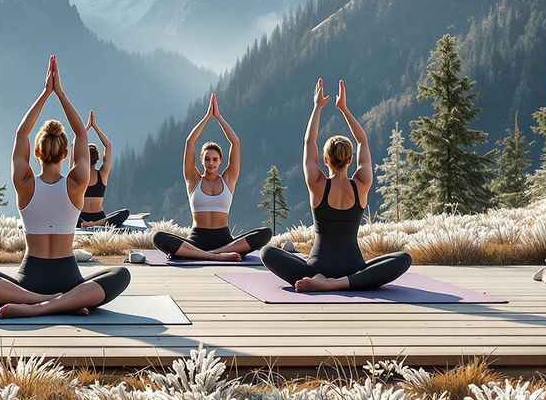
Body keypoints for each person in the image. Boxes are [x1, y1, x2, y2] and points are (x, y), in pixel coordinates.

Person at [0, 56, 131, 318]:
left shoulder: (25, 184)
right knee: (120, 274)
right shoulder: (76, 185)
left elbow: (21, 134)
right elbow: (82, 135)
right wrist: (60, 94)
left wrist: (45, 94)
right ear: (66, 154)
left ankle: (37, 302)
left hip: (30, 279)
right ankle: (58, 303)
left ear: (37, 153)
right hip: (69, 280)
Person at [261, 79, 411, 291]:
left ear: (325, 159)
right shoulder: (362, 184)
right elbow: (363, 142)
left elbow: (309, 142)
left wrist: (317, 106)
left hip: (316, 268)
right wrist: (344, 109)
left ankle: (324, 280)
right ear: (350, 160)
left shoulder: (317, 184)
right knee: (403, 258)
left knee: (267, 252)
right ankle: (343, 283)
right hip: (353, 269)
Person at [151, 93, 272, 261]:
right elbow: (189, 142)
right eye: (207, 159)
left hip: (225, 241)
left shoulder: (228, 179)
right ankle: (214, 256)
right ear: (201, 160)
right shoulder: (193, 180)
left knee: (265, 233)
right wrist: (207, 117)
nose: (211, 163)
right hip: (196, 240)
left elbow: (235, 142)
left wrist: (219, 117)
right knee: (158, 237)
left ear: (221, 161)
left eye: (215, 159)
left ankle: (208, 254)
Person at [77, 111, 130, 228]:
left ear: (83, 157)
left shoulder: (77, 173)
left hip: (86, 220)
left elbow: (73, 144)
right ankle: (97, 224)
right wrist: (94, 127)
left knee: (124, 212)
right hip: (98, 219)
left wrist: (87, 127)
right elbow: (108, 145)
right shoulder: (103, 173)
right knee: (125, 213)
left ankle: (90, 225)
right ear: (97, 158)